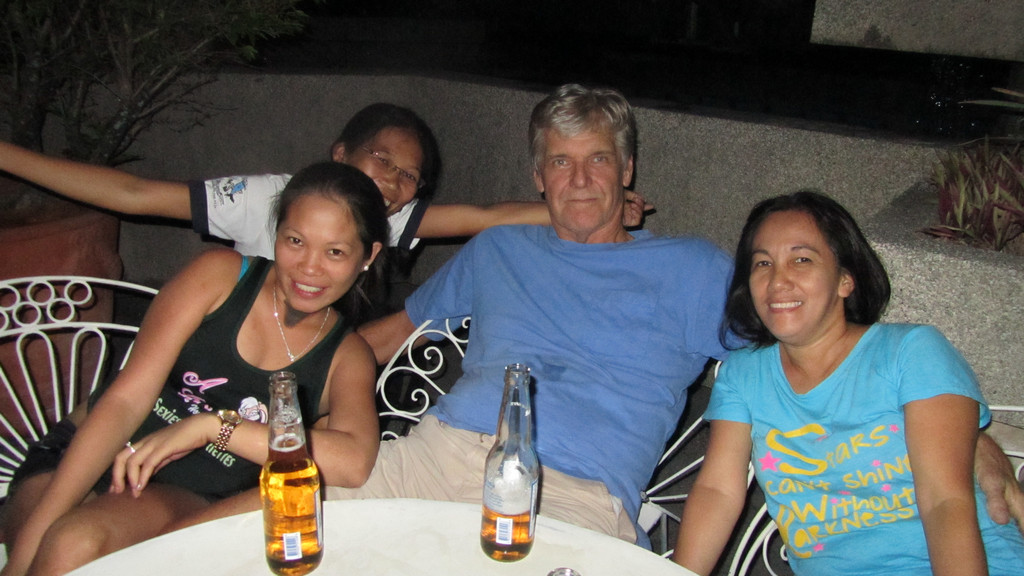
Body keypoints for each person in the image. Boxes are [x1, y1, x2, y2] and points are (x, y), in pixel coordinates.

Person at [344, 83, 736, 549]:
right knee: (286, 517)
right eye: (561, 162)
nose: (580, 179)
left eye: (598, 159)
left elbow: (785, 359)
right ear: (539, 177)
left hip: (568, 495)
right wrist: (290, 375)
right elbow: (396, 333)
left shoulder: (692, 269)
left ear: (627, 169)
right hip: (434, 457)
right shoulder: (498, 249)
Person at [0, 162, 386, 576]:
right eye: (295, 240)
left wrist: (213, 427)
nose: (309, 267)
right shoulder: (220, 277)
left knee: (73, 544)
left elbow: (353, 462)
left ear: (368, 256)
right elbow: (126, 400)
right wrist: (27, 549)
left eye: (335, 252)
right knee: (42, 545)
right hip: (85, 452)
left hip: (180, 496)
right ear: (276, 233)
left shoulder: (347, 356)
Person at [672, 191, 1024, 575]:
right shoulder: (743, 374)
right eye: (763, 263)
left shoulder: (911, 352)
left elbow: (945, 503)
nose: (778, 280)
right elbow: (718, 491)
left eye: (802, 259)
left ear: (845, 280)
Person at [0, 103, 650, 267]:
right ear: (340, 154)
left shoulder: (388, 220)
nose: (393, 182)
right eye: (381, 160)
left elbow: (487, 215)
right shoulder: (269, 198)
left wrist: (600, 203)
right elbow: (137, 197)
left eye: (409, 176)